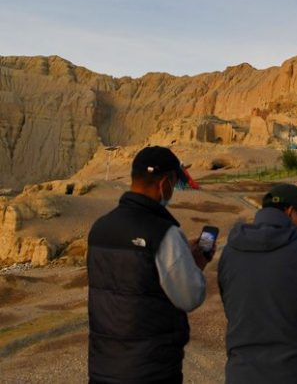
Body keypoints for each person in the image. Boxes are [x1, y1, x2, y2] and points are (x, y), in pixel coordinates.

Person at [87, 145, 209, 384]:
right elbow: (191, 296)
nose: (172, 190)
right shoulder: (164, 233)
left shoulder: (99, 228)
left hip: (103, 368)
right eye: (173, 184)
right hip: (151, 371)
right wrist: (195, 263)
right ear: (165, 183)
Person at [218, 183, 297, 384]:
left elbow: (229, 304)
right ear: (291, 212)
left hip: (241, 375)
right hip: (294, 374)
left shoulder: (230, 249)